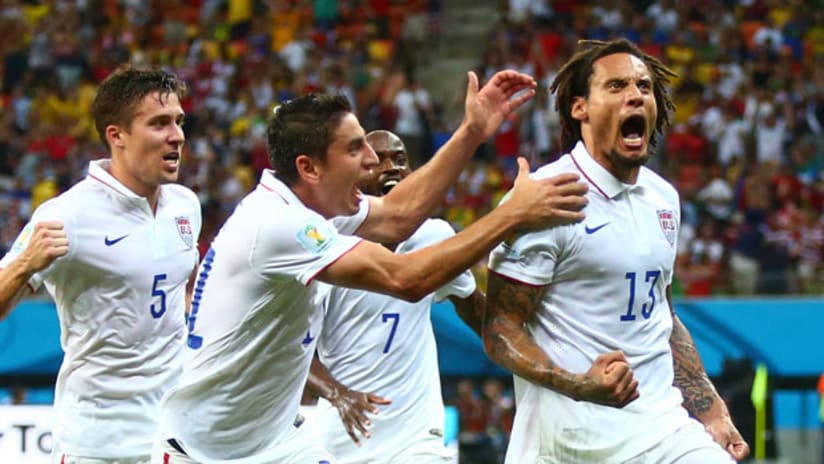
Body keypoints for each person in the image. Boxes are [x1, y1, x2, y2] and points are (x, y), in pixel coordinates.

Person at [153, 70, 589, 464]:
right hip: (205, 450)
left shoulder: (315, 210)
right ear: (309, 168)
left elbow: (400, 214)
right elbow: (406, 278)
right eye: (354, 149)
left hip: (278, 443)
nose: (370, 161)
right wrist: (512, 214)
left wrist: (471, 131)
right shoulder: (278, 225)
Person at [483, 39, 750, 464]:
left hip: (664, 432)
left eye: (644, 87)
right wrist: (577, 384)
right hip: (573, 444)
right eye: (617, 86)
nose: (636, 96)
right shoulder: (544, 199)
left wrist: (710, 408)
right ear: (579, 108)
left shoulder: (663, 199)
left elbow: (661, 315)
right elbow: (500, 328)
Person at [0, 65, 201, 464]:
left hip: (176, 438)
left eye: (178, 121)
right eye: (159, 123)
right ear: (117, 135)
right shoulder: (67, 215)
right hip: (100, 444)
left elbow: (173, 294)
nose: (176, 135)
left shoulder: (185, 206)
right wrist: (24, 265)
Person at [305, 129, 486, 464]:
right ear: (353, 176)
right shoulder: (327, 244)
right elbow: (293, 348)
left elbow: (477, 313)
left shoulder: (436, 235)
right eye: (377, 161)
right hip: (347, 436)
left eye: (400, 160)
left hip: (418, 437)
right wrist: (339, 395)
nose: (391, 167)